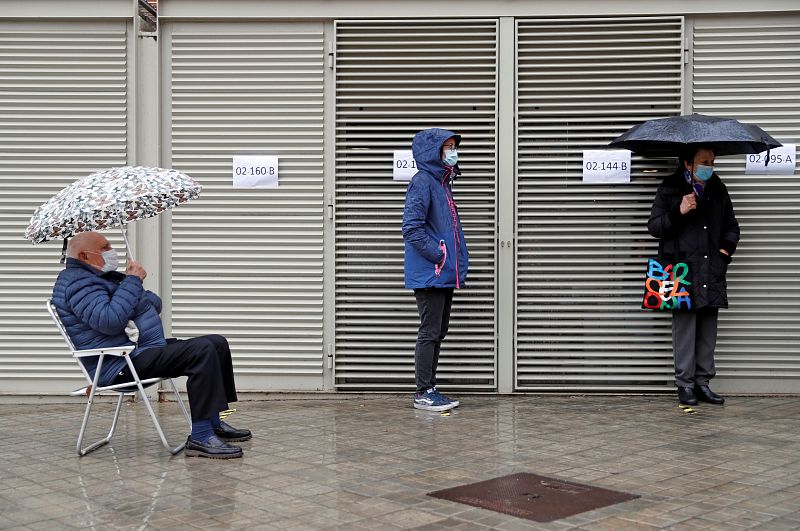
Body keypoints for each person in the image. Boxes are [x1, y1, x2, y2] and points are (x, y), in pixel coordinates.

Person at [51, 231, 251, 458]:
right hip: (118, 365)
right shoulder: (78, 284)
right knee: (201, 351)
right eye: (105, 248)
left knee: (216, 343)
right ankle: (201, 436)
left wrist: (131, 284)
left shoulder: (102, 278)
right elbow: (109, 321)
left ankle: (214, 423)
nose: (112, 252)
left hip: (138, 352)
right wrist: (133, 282)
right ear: (85, 256)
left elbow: (154, 304)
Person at [648, 146, 740, 406]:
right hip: (681, 270)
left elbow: (732, 226)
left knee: (708, 328)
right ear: (688, 164)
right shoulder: (670, 188)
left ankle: (703, 383)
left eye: (712, 161)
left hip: (711, 268)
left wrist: (724, 253)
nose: (709, 166)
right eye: (704, 161)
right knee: (685, 328)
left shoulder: (718, 189)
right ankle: (685, 384)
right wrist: (679, 210)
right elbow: (654, 226)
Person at [402, 128, 469, 412]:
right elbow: (412, 228)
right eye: (448, 147)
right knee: (429, 332)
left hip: (442, 273)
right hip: (432, 273)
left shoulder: (442, 183)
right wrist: (439, 255)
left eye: (454, 147)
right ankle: (423, 392)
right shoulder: (423, 182)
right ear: (434, 151)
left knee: (438, 331)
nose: (453, 152)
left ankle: (430, 387)